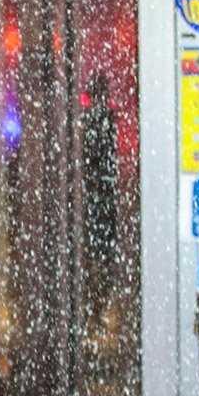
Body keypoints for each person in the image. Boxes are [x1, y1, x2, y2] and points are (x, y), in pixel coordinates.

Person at [82, 74, 118, 328]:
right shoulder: (107, 121)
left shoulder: (91, 122)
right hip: (104, 198)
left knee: (98, 259)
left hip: (98, 199)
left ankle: (96, 309)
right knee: (103, 260)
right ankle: (98, 308)